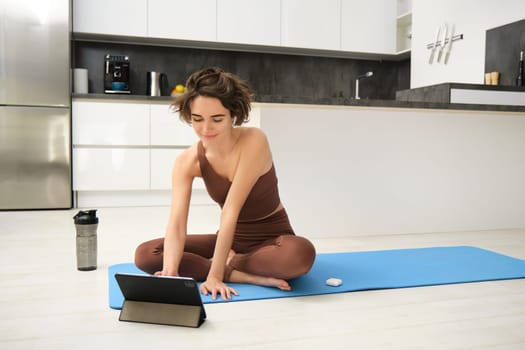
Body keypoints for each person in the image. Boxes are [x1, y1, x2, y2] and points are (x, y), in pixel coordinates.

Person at [134, 67, 316, 300]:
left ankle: (230, 264)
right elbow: (177, 224)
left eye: (217, 119)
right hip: (229, 238)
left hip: (272, 240)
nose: (206, 129)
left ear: (233, 115)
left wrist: (215, 276)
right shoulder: (186, 161)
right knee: (147, 254)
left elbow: (230, 210)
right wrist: (171, 272)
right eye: (197, 119)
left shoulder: (254, 141)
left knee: (299, 256)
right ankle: (241, 274)